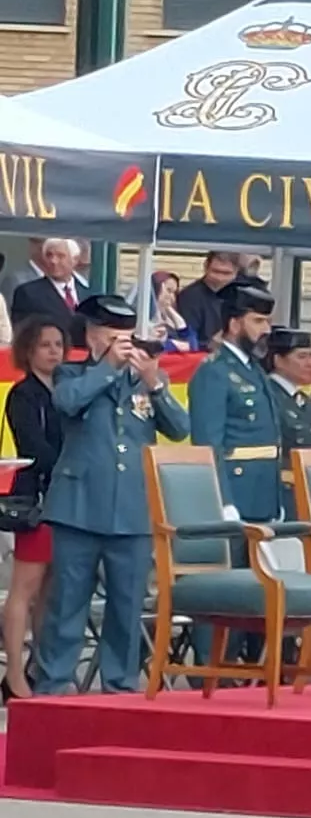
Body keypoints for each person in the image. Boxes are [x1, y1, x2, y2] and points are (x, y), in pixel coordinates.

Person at [33, 295, 190, 695]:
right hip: (80, 508)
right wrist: (107, 367)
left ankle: (120, 686)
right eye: (112, 336)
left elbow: (179, 427)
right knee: (67, 604)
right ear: (91, 335)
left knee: (126, 606)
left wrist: (154, 382)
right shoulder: (73, 373)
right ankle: (54, 685)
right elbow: (66, 403)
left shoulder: (146, 381)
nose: (123, 345)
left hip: (132, 510)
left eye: (127, 337)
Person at [3, 317, 67, 701]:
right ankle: (13, 671)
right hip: (39, 499)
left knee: (49, 591)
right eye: (45, 345)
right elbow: (33, 447)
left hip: (65, 500)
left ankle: (42, 666)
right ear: (28, 351)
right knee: (24, 589)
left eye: (58, 344)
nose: (54, 351)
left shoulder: (65, 390)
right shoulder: (23, 394)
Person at [187, 280, 281, 524]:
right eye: (258, 321)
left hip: (264, 497)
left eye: (267, 321)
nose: (267, 330)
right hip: (237, 495)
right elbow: (208, 444)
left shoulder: (255, 369)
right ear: (235, 324)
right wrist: (223, 501)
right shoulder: (214, 371)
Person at [267, 329, 311, 512]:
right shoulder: (269, 397)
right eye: (302, 357)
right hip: (283, 495)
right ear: (279, 360)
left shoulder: (302, 400)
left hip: (308, 491)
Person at [10, 239, 89, 333]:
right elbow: (22, 332)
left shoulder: (87, 292)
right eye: (49, 255)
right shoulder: (28, 293)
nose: (53, 261)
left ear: (75, 259)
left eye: (60, 256)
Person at [174, 252, 242, 350]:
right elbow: (187, 339)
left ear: (236, 272)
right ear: (206, 267)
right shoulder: (190, 296)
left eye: (226, 273)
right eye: (215, 271)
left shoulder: (240, 295)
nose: (220, 278)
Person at [150, 272, 198, 352]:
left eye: (174, 293)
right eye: (168, 290)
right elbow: (149, 347)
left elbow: (193, 346)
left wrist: (170, 311)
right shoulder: (142, 317)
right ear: (156, 289)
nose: (172, 297)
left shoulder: (167, 319)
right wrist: (174, 344)